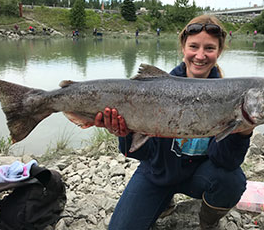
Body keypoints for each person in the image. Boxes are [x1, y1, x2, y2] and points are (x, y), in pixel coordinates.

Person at [92, 15, 253, 230]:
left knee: (232, 181)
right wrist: (124, 133)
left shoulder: (230, 96)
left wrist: (243, 132)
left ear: (219, 52)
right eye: (193, 46)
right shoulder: (156, 89)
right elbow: (140, 153)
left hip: (199, 176)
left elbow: (225, 162)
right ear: (183, 48)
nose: (200, 55)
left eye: (209, 48)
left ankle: (208, 221)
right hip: (157, 174)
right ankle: (164, 202)